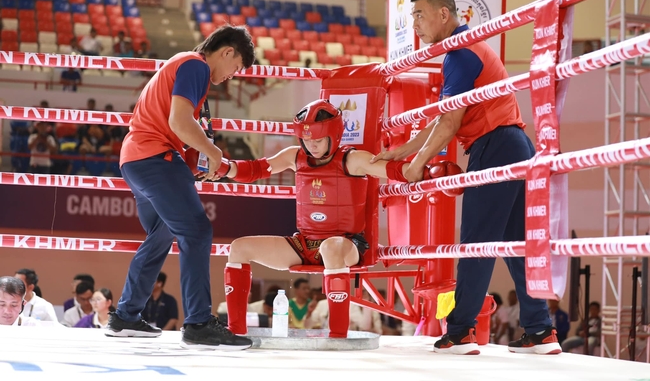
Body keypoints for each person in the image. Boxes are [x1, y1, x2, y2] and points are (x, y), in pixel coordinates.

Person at [370, 0, 561, 355]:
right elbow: (442, 119)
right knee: (515, 243)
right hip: (516, 145)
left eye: (420, 15)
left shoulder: (458, 53)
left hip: (495, 146)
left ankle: (460, 331)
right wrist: (402, 152)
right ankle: (540, 330)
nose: (415, 25)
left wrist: (415, 166)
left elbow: (449, 123)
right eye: (411, 18)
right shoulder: (465, 48)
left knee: (476, 241)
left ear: (444, 14)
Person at [221, 99, 463, 338]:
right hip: (304, 243)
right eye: (306, 139)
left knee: (331, 248)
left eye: (317, 139)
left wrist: (433, 173)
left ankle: (338, 336)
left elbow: (401, 172)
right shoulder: (293, 156)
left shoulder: (352, 159)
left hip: (346, 244)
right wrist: (224, 168)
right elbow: (256, 169)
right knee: (239, 248)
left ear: (334, 135)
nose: (311, 145)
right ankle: (235, 332)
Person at [105, 25, 255, 351]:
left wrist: (194, 167)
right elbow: (179, 122)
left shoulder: (183, 64)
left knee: (161, 233)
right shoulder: (196, 65)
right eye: (237, 67)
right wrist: (214, 153)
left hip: (135, 160)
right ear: (227, 51)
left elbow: (171, 124)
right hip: (155, 158)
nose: (234, 75)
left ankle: (126, 316)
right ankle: (199, 323)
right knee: (197, 231)